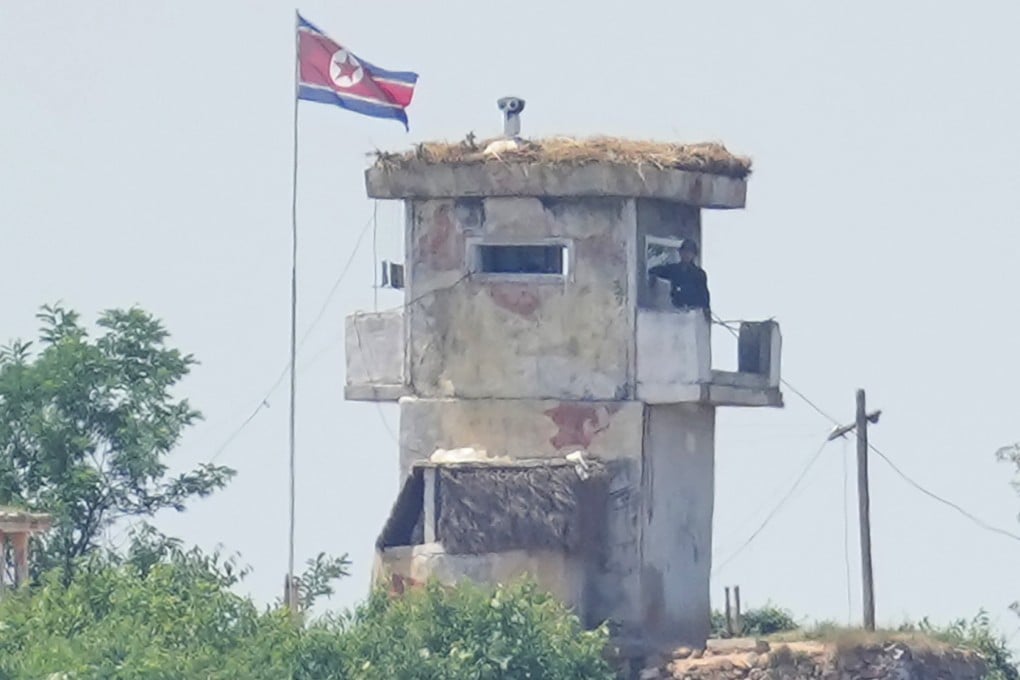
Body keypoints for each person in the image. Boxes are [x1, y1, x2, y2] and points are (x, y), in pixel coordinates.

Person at [648, 239, 711, 312]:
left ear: (694, 255)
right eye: (684, 251)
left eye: (690, 252)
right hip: (676, 311)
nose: (686, 254)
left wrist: (706, 312)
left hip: (692, 313)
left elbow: (704, 297)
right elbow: (654, 270)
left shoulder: (699, 274)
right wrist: (653, 279)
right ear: (680, 253)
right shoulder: (674, 269)